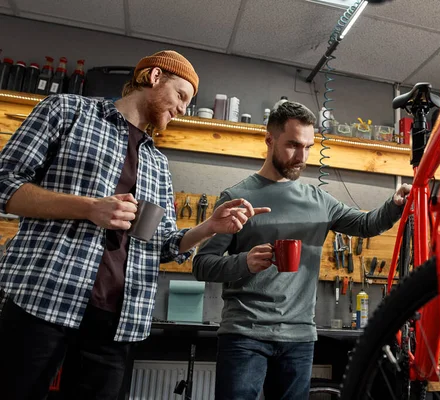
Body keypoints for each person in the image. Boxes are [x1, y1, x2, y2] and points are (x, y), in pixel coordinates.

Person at [0, 50, 270, 400]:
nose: (184, 109)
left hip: (118, 319)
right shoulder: (67, 111)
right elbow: (6, 183)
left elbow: (164, 245)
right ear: (154, 77)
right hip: (44, 298)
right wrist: (90, 209)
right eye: (181, 96)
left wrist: (209, 227)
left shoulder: (157, 163)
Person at [193, 101, 411, 399]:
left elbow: (365, 225)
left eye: (308, 147)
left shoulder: (318, 200)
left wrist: (394, 204)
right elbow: (202, 264)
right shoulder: (237, 197)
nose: (302, 156)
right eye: (293, 145)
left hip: (299, 338)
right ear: (269, 140)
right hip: (244, 334)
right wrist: (245, 262)